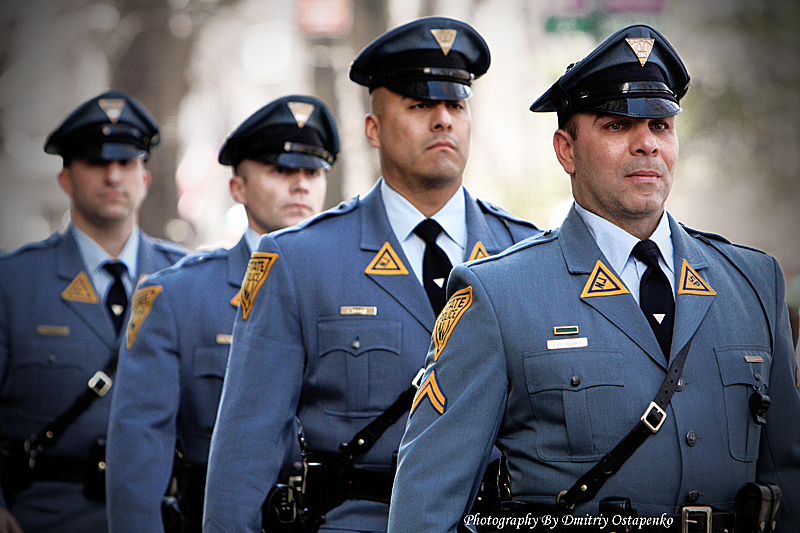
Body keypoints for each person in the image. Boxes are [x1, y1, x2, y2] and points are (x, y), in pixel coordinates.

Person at [388, 24, 800, 533]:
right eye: (617, 126)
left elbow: (788, 477)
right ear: (566, 150)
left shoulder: (753, 281)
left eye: (661, 125)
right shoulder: (498, 294)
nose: (646, 144)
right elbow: (426, 508)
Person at [203, 16, 540, 533]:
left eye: (456, 104)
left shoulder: (524, 251)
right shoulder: (298, 260)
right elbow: (245, 447)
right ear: (374, 129)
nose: (443, 120)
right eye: (420, 105)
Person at [104, 94, 338, 533]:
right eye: (282, 170)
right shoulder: (177, 297)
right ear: (238, 188)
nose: (302, 184)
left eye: (314, 171)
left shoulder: (354, 290)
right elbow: (138, 455)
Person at [0, 90, 186, 533]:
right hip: (44, 517)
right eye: (96, 162)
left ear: (146, 177)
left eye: (127, 163)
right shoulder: (13, 283)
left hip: (161, 518)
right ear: (66, 178)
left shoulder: (187, 279)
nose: (114, 176)